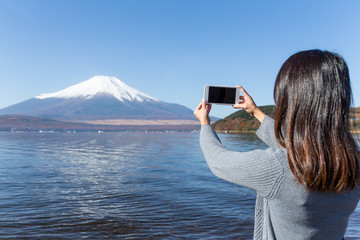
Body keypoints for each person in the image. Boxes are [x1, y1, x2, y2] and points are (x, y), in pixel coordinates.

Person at [194, 49, 360, 240]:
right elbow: (295, 147)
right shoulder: (354, 162)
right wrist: (255, 112)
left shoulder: (277, 169)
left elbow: (218, 161)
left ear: (291, 99)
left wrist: (205, 124)